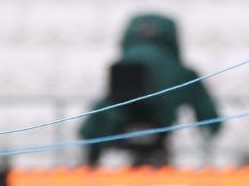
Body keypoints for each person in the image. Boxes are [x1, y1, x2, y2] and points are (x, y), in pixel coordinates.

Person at [79, 13, 221, 167]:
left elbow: (93, 124)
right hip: (160, 131)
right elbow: (206, 112)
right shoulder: (182, 71)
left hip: (119, 130)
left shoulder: (124, 63)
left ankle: (90, 170)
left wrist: (92, 155)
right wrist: (210, 128)